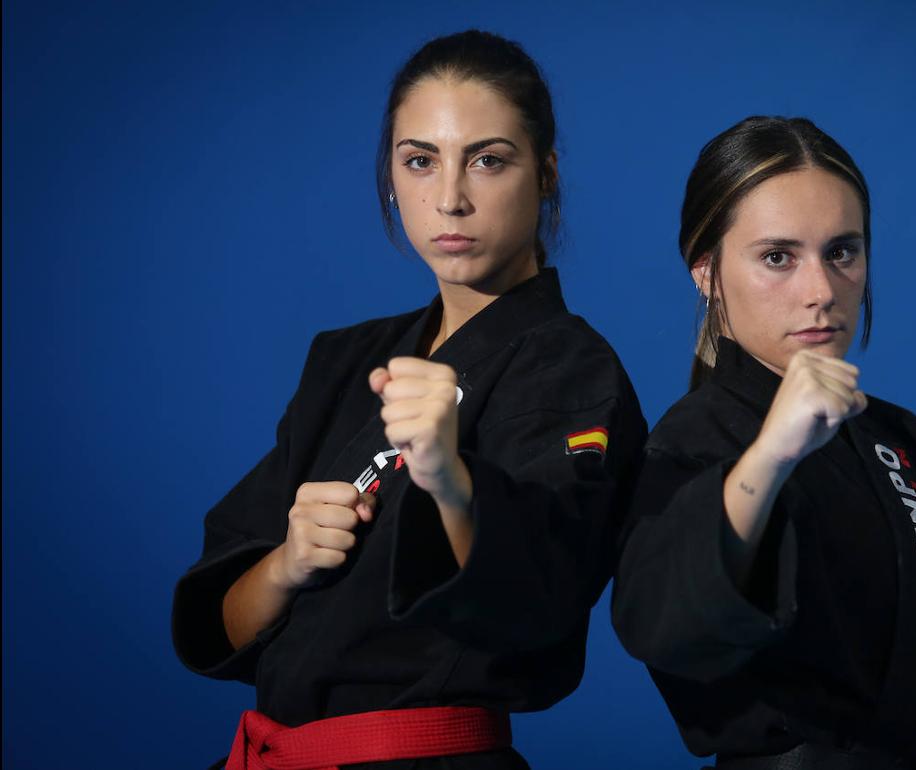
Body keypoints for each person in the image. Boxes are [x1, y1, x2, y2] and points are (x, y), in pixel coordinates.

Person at [172, 30, 646, 770]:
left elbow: (545, 606)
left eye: (488, 160)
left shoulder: (574, 371)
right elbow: (220, 622)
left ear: (546, 174)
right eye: (420, 161)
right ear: (390, 176)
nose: (450, 198)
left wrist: (450, 478)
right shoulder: (344, 360)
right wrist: (287, 564)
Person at [611, 116, 916, 770]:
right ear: (706, 271)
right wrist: (773, 452)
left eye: (842, 252)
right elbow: (660, 622)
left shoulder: (899, 440)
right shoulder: (700, 435)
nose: (820, 292)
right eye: (777, 257)